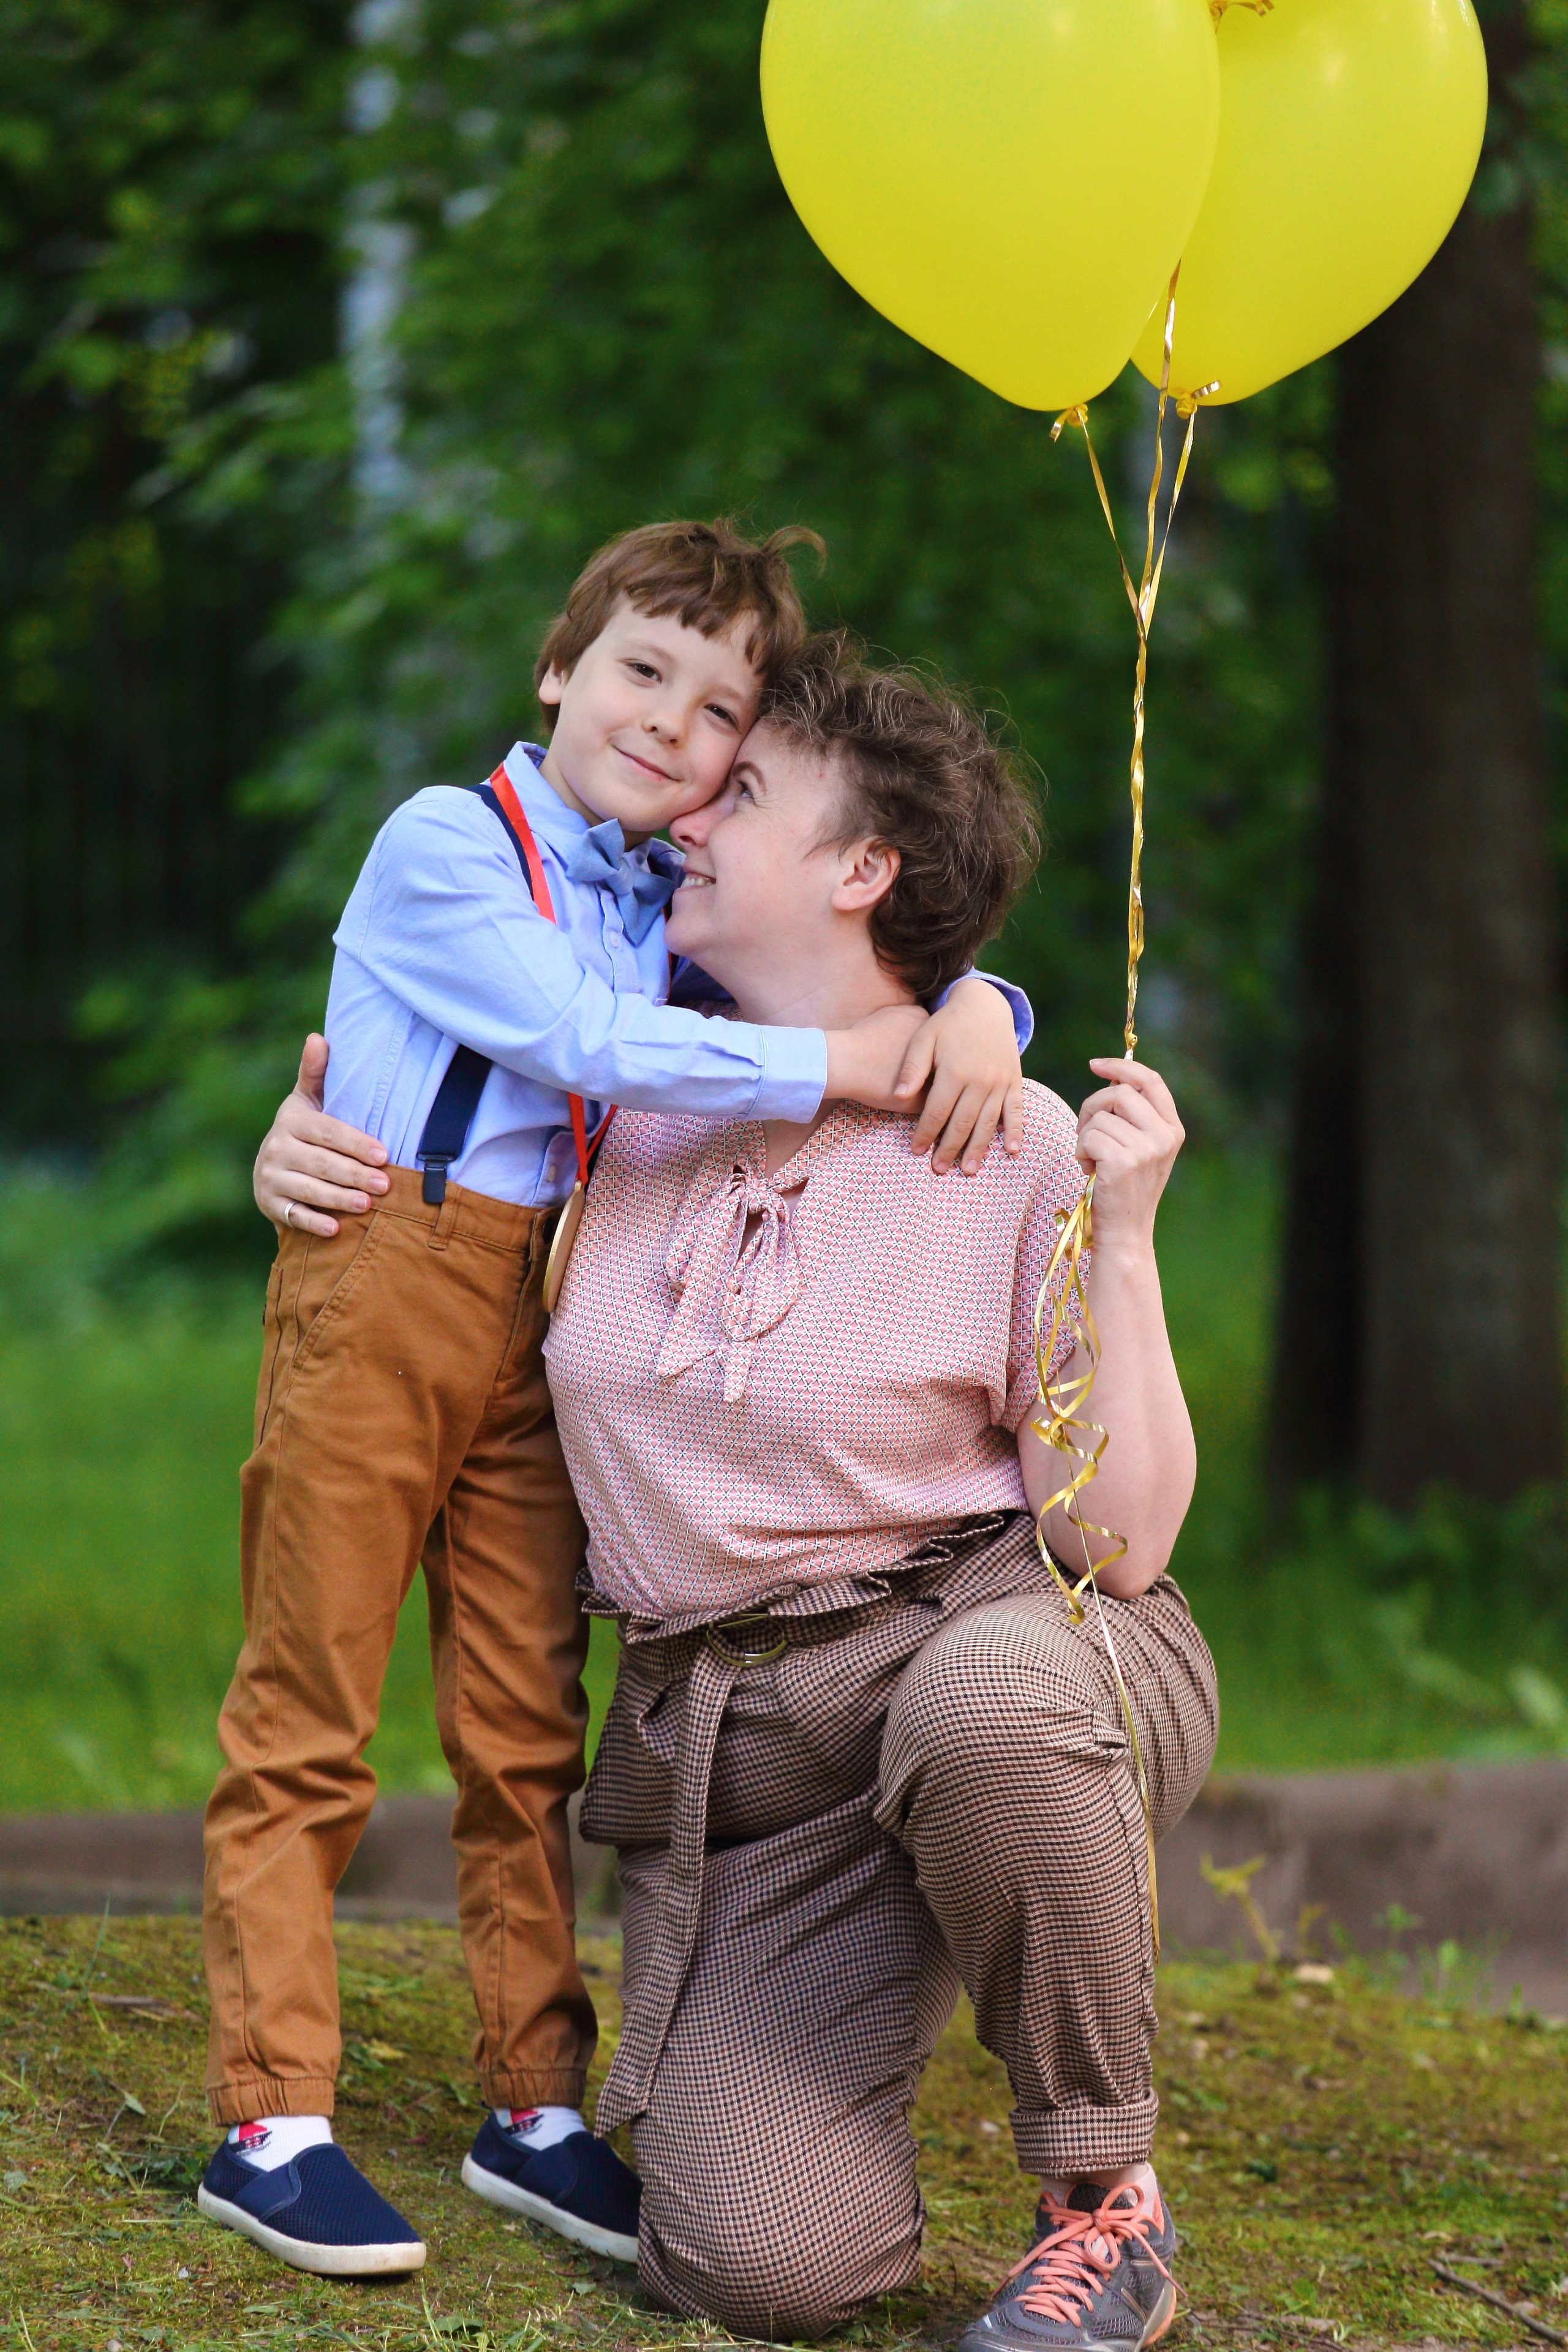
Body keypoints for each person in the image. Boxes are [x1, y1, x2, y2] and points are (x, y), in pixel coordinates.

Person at [260, 634, 1216, 2344]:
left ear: (862, 870)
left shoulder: (1008, 1139)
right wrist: (317, 1161)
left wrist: (1122, 1239)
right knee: (754, 2267)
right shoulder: (619, 1107)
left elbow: (1119, 1542)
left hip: (1000, 1651)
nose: (689, 810)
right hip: (756, 1765)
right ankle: (897, 1959)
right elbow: (443, 1184)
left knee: (989, 1714)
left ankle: (1101, 2201)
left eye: (747, 788)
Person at [202, 524, 1031, 2282]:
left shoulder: (663, 901)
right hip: (385, 1275)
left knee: (523, 1722)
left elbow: (842, 956)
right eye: (643, 670)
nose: (673, 722)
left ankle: (533, 2103)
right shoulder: (445, 845)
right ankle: (273, 2118)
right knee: (310, 1703)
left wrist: (979, 1006)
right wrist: (842, 1065)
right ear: (557, 669)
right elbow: (588, 1041)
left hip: (543, 1309)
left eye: (721, 708)